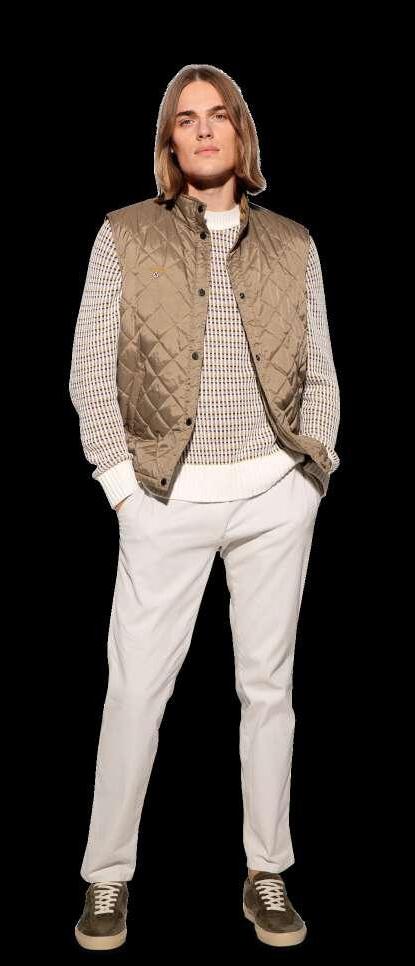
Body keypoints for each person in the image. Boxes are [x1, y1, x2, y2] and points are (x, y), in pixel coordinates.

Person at [69, 63, 340, 950]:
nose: (203, 129)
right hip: (162, 495)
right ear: (169, 141)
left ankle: (267, 872)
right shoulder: (123, 234)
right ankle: (107, 878)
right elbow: (89, 371)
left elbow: (322, 372)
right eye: (185, 119)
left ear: (240, 132)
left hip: (273, 496)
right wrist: (120, 487)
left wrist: (310, 474)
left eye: (217, 114)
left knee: (268, 691)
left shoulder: (292, 243)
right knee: (134, 693)